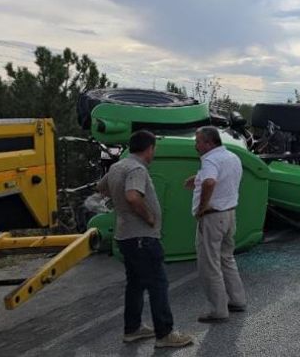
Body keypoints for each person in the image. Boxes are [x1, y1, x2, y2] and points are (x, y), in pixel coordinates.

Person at [97, 130, 193, 348]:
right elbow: (133, 196)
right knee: (158, 284)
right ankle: (165, 334)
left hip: (125, 236)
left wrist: (118, 202)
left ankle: (133, 329)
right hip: (142, 238)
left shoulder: (117, 166)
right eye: (154, 148)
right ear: (149, 148)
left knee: (136, 284)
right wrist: (148, 216)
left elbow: (100, 188)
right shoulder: (137, 169)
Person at [184, 126, 247, 323]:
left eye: (198, 141)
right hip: (229, 214)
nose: (196, 145)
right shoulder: (232, 157)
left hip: (212, 217)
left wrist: (202, 208)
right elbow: (221, 179)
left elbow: (211, 183)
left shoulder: (210, 159)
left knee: (209, 264)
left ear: (209, 143)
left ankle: (218, 310)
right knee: (227, 258)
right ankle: (238, 299)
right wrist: (198, 179)